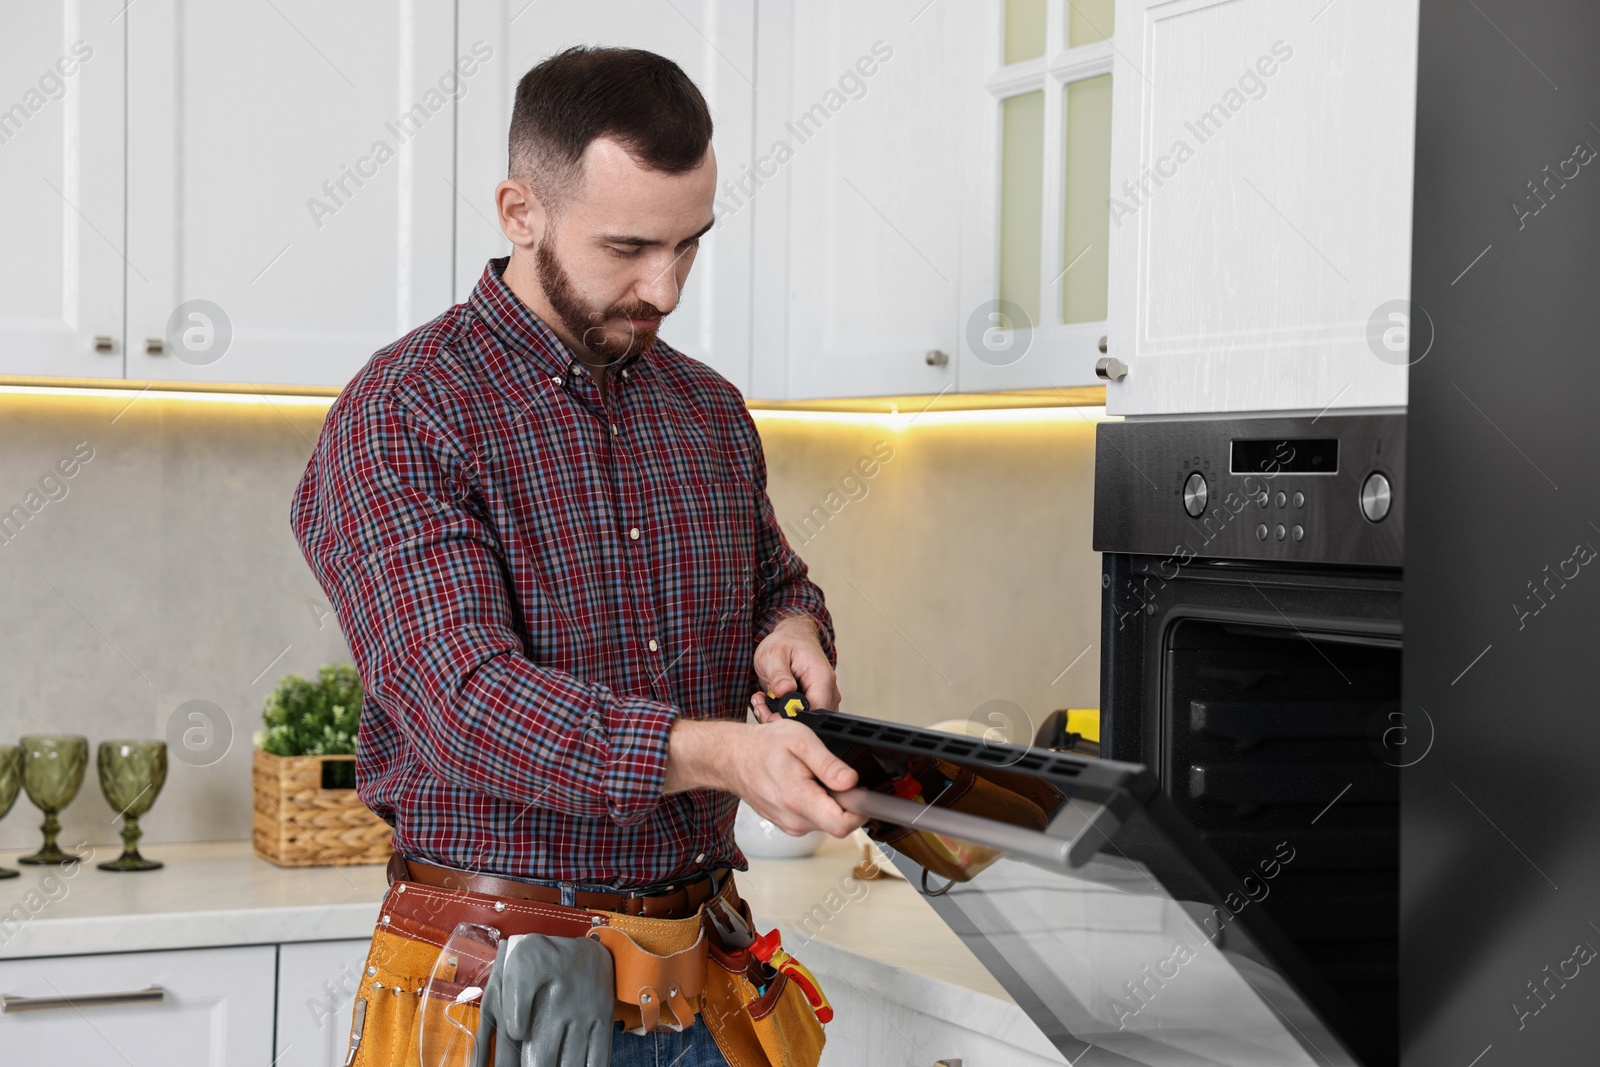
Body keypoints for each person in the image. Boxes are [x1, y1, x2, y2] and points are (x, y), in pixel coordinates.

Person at [291, 45, 864, 1067]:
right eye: (630, 247)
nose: (667, 288)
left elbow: (775, 579)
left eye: (690, 245)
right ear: (521, 211)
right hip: (499, 997)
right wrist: (719, 750)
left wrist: (791, 627)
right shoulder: (404, 413)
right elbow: (464, 700)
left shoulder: (708, 411)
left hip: (709, 980)